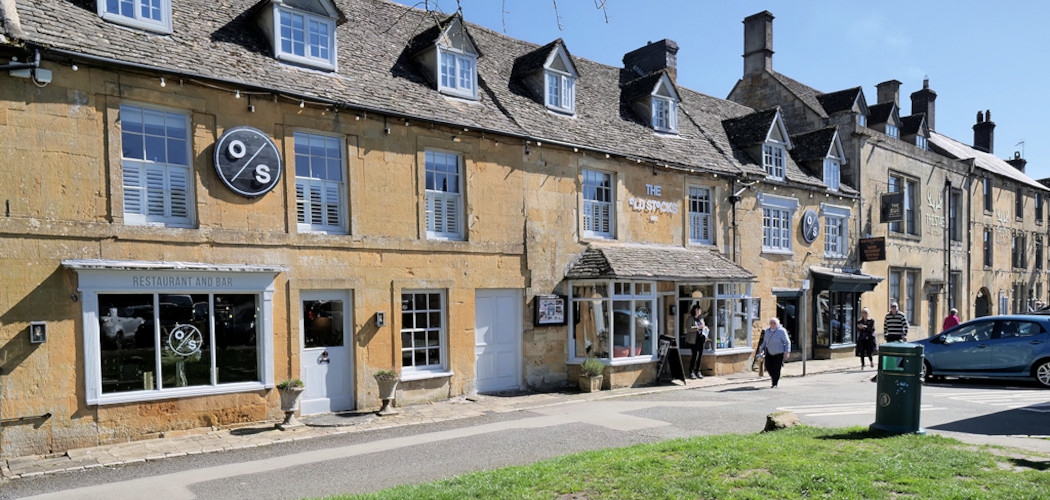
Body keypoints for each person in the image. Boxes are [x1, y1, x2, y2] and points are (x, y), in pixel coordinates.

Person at [758, 317, 790, 388]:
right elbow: (765, 341)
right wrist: (761, 348)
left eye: (774, 323)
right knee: (768, 366)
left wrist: (787, 352)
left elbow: (787, 342)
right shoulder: (767, 331)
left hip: (779, 352)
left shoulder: (782, 331)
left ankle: (774, 383)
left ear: (777, 324)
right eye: (771, 323)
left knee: (776, 368)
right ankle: (773, 376)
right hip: (769, 351)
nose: (772, 324)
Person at [685, 304, 708, 379]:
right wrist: (697, 328)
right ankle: (691, 372)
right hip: (693, 340)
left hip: (701, 338)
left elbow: (703, 326)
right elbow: (688, 329)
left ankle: (698, 371)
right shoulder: (690, 318)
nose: (699, 311)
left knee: (700, 356)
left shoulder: (701, 318)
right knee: (694, 356)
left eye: (700, 310)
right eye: (697, 310)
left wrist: (705, 328)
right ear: (694, 311)